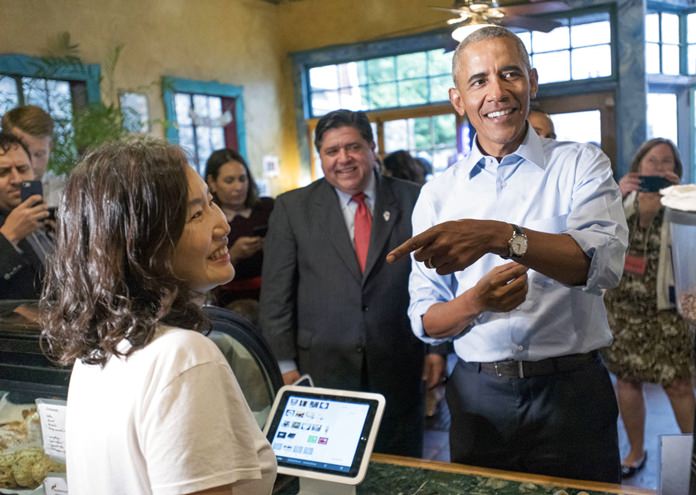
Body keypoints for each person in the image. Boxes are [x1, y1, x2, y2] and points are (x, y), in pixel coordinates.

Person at [386, 26, 628, 482]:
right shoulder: (439, 193)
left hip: (571, 391)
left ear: (531, 82)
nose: (497, 92)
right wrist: (476, 301)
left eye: (510, 74)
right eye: (479, 81)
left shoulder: (579, 163)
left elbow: (601, 264)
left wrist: (499, 236)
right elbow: (426, 321)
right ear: (458, 100)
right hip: (479, 395)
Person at [40, 138, 277, 494]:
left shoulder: (99, 351)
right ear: (141, 245)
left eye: (210, 202)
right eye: (196, 214)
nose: (222, 225)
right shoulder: (183, 355)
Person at [259, 109, 445, 458]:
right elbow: (275, 296)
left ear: (373, 148)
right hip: (321, 370)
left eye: (353, 147)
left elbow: (439, 279)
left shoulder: (415, 198)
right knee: (333, 468)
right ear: (320, 157)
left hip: (400, 362)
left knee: (401, 466)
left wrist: (436, 348)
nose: (343, 159)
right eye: (332, 151)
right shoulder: (292, 208)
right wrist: (284, 365)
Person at [604, 138, 695, 478]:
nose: (658, 166)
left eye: (666, 161)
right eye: (652, 160)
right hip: (622, 308)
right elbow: (594, 235)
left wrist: (682, 200)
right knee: (627, 381)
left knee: (679, 383)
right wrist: (614, 194)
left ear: (676, 170)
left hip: (666, 311)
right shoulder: (617, 198)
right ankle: (635, 450)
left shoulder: (685, 202)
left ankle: (693, 457)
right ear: (638, 165)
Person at [205, 148, 274, 308]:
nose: (239, 187)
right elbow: (204, 272)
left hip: (271, 296)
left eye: (242, 179)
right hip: (229, 301)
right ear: (212, 183)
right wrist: (233, 254)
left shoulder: (268, 208)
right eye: (229, 181)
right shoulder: (208, 220)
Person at [0, 133, 52, 299]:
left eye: (23, 169)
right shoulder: (12, 229)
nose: (16, 179)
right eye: (3, 172)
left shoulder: (41, 220)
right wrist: (9, 237)